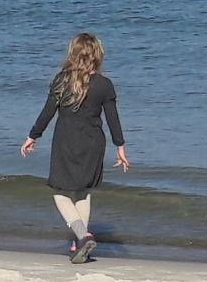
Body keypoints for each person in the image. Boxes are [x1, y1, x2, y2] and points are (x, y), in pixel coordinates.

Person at [21, 31, 128, 263]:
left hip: (66, 142)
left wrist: (33, 136)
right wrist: (120, 147)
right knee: (84, 191)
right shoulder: (105, 85)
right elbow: (113, 120)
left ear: (73, 54)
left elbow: (47, 113)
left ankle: (81, 235)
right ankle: (78, 243)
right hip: (93, 144)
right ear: (97, 56)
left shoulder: (61, 79)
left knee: (60, 193)